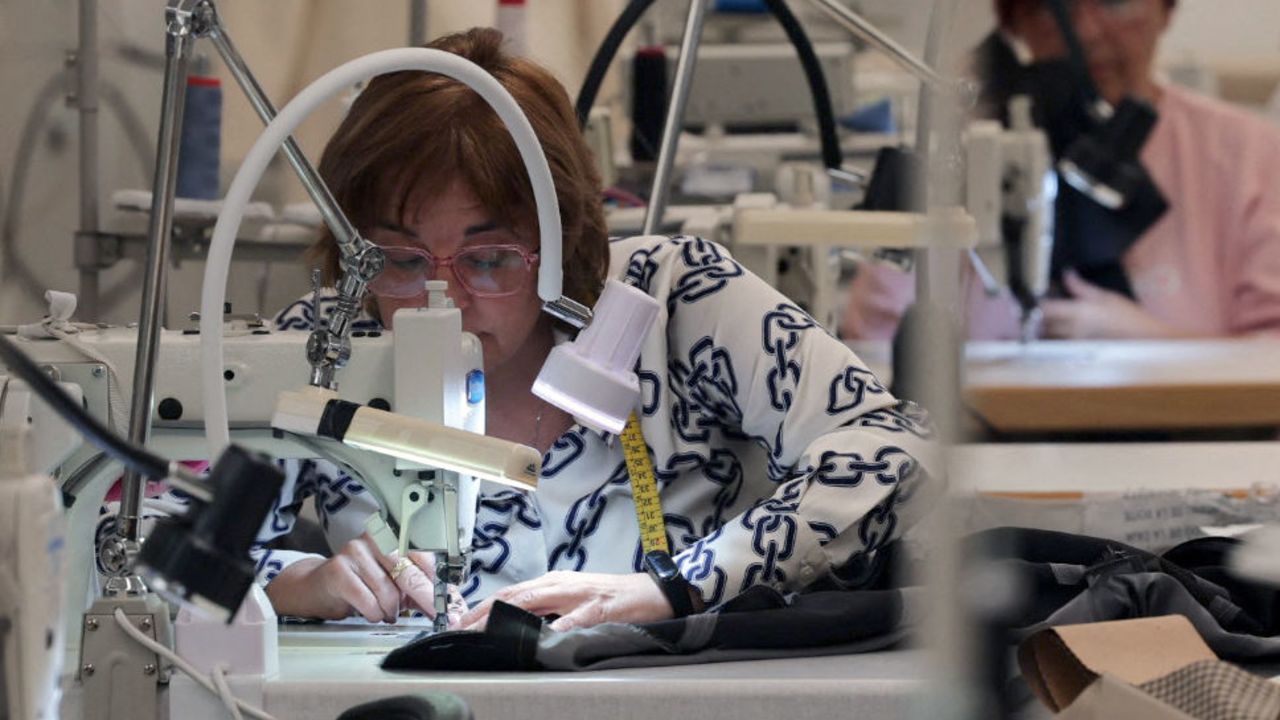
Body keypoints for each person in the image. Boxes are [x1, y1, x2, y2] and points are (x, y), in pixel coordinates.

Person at [257, 27, 938, 632]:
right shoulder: (327, 347)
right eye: (401, 260)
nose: (445, 301)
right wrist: (299, 583)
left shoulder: (676, 302)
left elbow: (898, 453)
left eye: (488, 259)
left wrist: (675, 587)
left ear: (562, 239)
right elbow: (166, 540)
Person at [842, 0, 1280, 341]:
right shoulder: (971, 152)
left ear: (1166, 10)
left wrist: (1158, 346)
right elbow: (877, 335)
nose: (1086, 32)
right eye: (1054, 10)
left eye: (1113, 2)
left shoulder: (1248, 155)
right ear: (1014, 24)